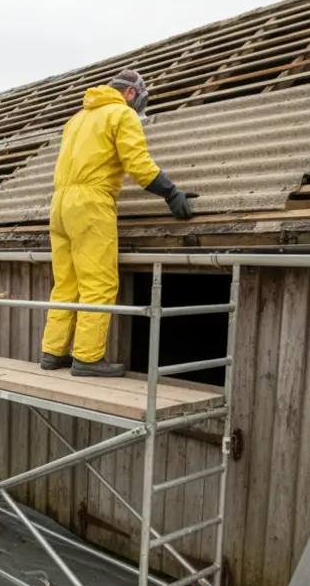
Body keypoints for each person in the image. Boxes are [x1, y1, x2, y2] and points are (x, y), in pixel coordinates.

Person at [39, 69, 196, 377]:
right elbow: (137, 164)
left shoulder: (76, 119)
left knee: (66, 284)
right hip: (90, 203)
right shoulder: (121, 115)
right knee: (98, 282)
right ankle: (86, 358)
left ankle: (52, 352)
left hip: (59, 205)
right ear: (131, 94)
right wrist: (171, 192)